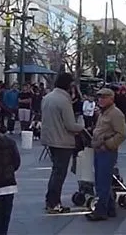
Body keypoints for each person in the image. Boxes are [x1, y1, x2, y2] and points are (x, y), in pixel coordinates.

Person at [41, 73, 84, 214]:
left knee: (56, 171)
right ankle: (54, 202)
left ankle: (50, 200)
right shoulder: (63, 101)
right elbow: (70, 125)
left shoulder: (48, 97)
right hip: (62, 140)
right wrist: (82, 127)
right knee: (59, 173)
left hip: (51, 139)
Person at [87, 88, 126, 221]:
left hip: (107, 151)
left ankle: (101, 210)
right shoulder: (103, 113)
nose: (101, 99)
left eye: (104, 97)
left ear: (111, 98)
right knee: (101, 180)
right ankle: (109, 207)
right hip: (99, 149)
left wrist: (107, 145)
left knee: (103, 182)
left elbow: (121, 134)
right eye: (99, 97)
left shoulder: (116, 114)